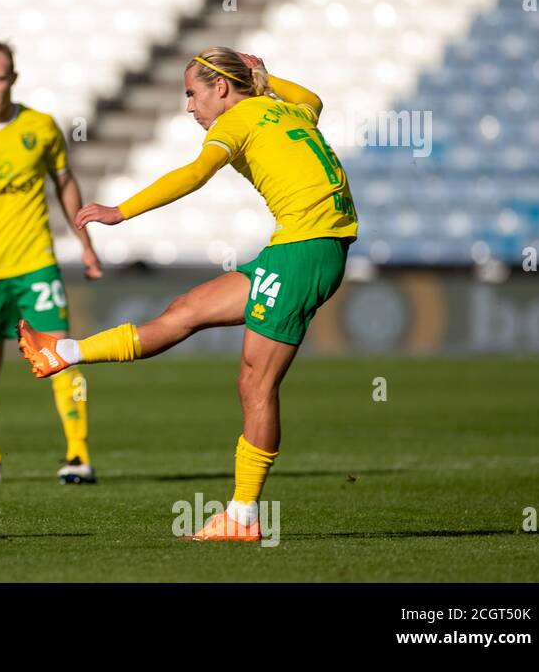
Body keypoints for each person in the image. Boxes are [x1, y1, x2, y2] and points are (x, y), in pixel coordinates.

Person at [18, 47, 358, 538]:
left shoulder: (237, 119)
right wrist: (263, 76)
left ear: (221, 87)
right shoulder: (286, 110)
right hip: (301, 247)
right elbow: (313, 98)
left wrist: (122, 210)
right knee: (186, 310)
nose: (189, 106)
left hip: (304, 249)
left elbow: (194, 175)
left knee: (255, 385)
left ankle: (242, 517)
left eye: (192, 93)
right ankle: (63, 352)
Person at [0, 39, 104, 485]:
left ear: (13, 77)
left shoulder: (41, 127)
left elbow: (65, 184)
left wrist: (84, 242)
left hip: (36, 263)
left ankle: (78, 457)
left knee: (58, 354)